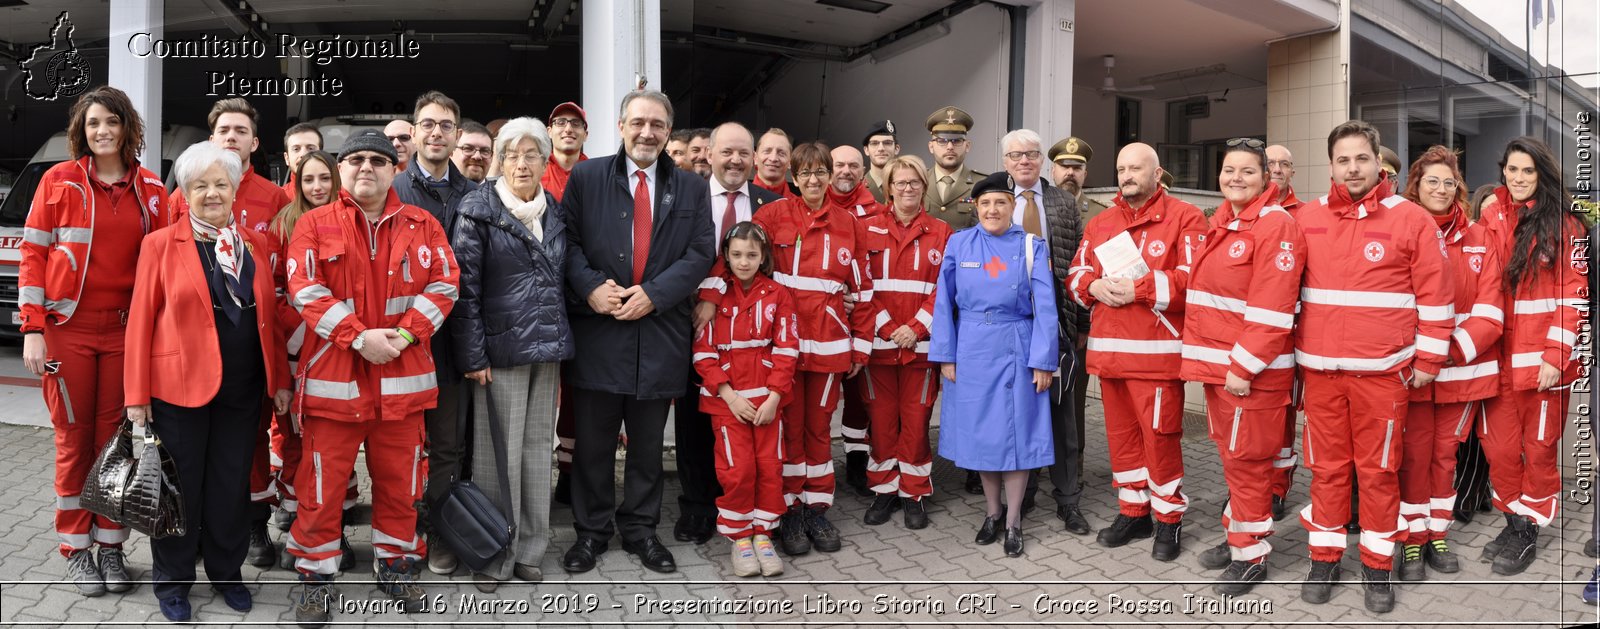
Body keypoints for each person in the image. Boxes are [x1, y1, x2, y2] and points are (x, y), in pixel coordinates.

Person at [283, 129, 458, 627]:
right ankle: (315, 577)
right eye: (355, 159)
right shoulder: (314, 224)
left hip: (402, 385)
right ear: (341, 169)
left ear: (394, 168)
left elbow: (446, 283)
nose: (366, 167)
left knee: (402, 484)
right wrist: (361, 339)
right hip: (334, 385)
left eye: (377, 160)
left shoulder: (423, 224)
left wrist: (401, 339)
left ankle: (397, 564)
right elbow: (304, 288)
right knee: (321, 487)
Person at [124, 142, 292, 621]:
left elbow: (269, 320)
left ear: (236, 190)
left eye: (222, 184)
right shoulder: (160, 245)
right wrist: (136, 395)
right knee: (180, 490)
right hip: (178, 390)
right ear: (185, 192)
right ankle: (173, 585)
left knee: (230, 486)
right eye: (201, 186)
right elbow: (140, 322)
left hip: (242, 391)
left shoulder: (253, 245)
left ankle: (226, 572)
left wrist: (278, 379)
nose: (213, 194)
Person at [1294, 121, 1454, 614]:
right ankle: (1324, 559)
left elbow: (1436, 295)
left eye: (1361, 158)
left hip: (1384, 376)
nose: (1353, 168)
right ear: (1331, 166)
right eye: (1343, 160)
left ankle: (1377, 568)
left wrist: (1428, 358)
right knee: (1326, 472)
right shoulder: (1306, 218)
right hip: (1321, 375)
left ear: (1376, 160)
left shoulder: (1410, 220)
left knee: (1380, 474)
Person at [20, 85, 170, 598]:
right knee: (73, 440)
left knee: (117, 444)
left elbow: (166, 265)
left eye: (111, 121)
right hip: (69, 331)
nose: (102, 131)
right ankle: (75, 550)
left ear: (128, 127)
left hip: (127, 333)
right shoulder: (58, 181)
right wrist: (34, 328)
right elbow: (33, 257)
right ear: (80, 132)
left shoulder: (152, 189)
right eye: (92, 124)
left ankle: (111, 546)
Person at [561, 89, 714, 576]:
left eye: (657, 124)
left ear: (669, 132)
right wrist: (588, 289)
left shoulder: (690, 187)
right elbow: (566, 242)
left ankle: (642, 532)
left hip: (660, 333)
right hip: (600, 334)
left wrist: (655, 293)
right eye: (638, 122)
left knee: (647, 448)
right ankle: (591, 534)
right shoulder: (585, 177)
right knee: (593, 446)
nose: (647, 132)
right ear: (621, 126)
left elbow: (700, 251)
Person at [698, 141, 874, 557]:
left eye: (820, 172)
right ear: (794, 178)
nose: (813, 180)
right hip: (782, 351)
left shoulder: (849, 223)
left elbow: (863, 291)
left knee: (818, 430)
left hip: (830, 349)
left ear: (830, 176)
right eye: (805, 172)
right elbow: (736, 253)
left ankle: (815, 507)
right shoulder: (772, 214)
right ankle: (788, 509)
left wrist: (861, 347)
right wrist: (710, 294)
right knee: (788, 433)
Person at [166, 97, 293, 567]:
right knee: (196, 455)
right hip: (194, 358)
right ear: (211, 138)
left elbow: (279, 276)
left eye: (242, 131)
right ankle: (196, 533)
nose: (233, 137)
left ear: (255, 143)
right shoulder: (184, 193)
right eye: (225, 130)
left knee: (250, 447)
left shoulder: (275, 198)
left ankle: (253, 527)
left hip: (249, 352)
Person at [450, 117, 572, 591]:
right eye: (513, 155)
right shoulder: (477, 209)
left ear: (545, 162)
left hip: (547, 348)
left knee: (538, 450)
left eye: (532, 155)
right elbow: (465, 292)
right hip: (499, 352)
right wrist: (473, 357)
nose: (522, 164)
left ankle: (530, 549)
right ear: (499, 161)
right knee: (496, 457)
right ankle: (493, 553)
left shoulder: (553, 211)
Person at [1179, 138, 1305, 595]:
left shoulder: (1276, 226)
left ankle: (1250, 556)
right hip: (1224, 370)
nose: (1236, 178)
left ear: (1266, 177)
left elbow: (1273, 309)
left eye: (1247, 171)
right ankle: (1238, 534)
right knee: (1236, 462)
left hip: (1249, 374)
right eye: (1229, 169)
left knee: (1249, 465)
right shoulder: (1228, 221)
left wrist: (1244, 367)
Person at [1069, 142, 1206, 562]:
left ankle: (1168, 519)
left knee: (1160, 440)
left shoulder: (1186, 217)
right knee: (1122, 441)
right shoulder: (1101, 222)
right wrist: (1091, 286)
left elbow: (1194, 281)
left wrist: (1140, 288)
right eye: (1121, 168)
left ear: (1157, 173)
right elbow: (1076, 271)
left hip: (1156, 358)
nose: (1127, 175)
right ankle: (1134, 512)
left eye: (1136, 168)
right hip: (1110, 358)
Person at [931, 171, 1058, 558]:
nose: (992, 209)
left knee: (1016, 435)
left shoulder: (1033, 246)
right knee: (982, 436)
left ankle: (1015, 520)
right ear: (976, 207)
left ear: (1013, 206)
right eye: (985, 203)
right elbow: (943, 303)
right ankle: (992, 512)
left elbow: (1047, 308)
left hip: (1016, 346)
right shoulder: (959, 243)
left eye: (1000, 202)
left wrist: (1043, 361)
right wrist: (946, 355)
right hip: (970, 349)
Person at [1477, 136, 1585, 577]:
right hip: (1497, 360)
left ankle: (1529, 529)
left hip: (1542, 365)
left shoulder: (1565, 224)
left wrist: (1556, 355)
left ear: (1542, 175)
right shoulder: (1490, 214)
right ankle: (1511, 518)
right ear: (1502, 170)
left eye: (1528, 171)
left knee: (1538, 451)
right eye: (1512, 169)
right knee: (1499, 450)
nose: (1518, 178)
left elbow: (1574, 293)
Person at [1395, 145, 1503, 582]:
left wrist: (1446, 350)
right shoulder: (1399, 229)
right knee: (1413, 457)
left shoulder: (1480, 238)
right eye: (1431, 180)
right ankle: (1411, 538)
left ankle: (1436, 533)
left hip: (1459, 372)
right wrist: (1424, 355)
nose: (1440, 188)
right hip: (1414, 374)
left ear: (1458, 187)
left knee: (1444, 457)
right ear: (1415, 186)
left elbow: (1491, 309)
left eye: (1448, 181)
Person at [678, 122, 783, 546]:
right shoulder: (688, 197)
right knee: (693, 420)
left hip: (753, 334)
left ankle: (746, 510)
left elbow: (779, 264)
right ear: (710, 155)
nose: (735, 160)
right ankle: (698, 507)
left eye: (744, 152)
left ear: (754, 157)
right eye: (727, 152)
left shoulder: (771, 203)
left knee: (747, 428)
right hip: (696, 325)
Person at [392, 90, 479, 576]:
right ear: (415, 130)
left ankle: (443, 533)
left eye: (447, 125)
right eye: (428, 124)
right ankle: (400, 532)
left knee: (448, 445)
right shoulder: (393, 189)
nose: (437, 133)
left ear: (457, 134)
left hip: (451, 345)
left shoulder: (475, 195)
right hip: (400, 342)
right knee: (400, 445)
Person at [266, 151, 358, 560]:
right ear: (296, 183)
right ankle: (301, 522)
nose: (317, 187)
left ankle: (330, 526)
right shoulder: (283, 225)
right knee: (297, 441)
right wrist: (306, 330)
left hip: (342, 349)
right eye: (308, 180)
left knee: (335, 446)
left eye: (325, 178)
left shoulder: (353, 220)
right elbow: (276, 292)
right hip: (299, 347)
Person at [693, 221, 798, 577]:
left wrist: (774, 397)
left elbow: (787, 348)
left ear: (763, 256)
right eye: (736, 254)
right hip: (729, 403)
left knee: (769, 467)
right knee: (737, 471)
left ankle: (763, 534)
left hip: (767, 401)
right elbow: (703, 352)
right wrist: (728, 395)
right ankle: (739, 537)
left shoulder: (778, 293)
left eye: (752, 254)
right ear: (726, 256)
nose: (744, 261)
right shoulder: (714, 297)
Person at [858, 155, 952, 529]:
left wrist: (915, 327)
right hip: (879, 348)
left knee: (916, 421)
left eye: (915, 182)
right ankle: (883, 490)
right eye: (901, 182)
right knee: (881, 422)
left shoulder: (942, 231)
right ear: (888, 188)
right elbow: (861, 285)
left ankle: (914, 493)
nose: (908, 188)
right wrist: (886, 327)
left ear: (924, 187)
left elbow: (945, 289)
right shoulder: (866, 228)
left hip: (921, 347)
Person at [1001, 129, 1088, 533]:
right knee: (1020, 411)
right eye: (1016, 155)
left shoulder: (1063, 202)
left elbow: (1081, 264)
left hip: (1059, 324)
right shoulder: (992, 201)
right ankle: (1025, 492)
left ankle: (1068, 499)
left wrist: (1081, 323)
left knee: (1062, 416)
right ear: (1005, 161)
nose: (1024, 161)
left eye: (1032, 154)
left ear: (1041, 161)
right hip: (1010, 328)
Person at [828, 143, 886, 497]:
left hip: (864, 317)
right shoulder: (813, 204)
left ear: (864, 173)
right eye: (839, 165)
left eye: (853, 165)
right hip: (820, 319)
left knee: (859, 396)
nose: (845, 171)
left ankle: (856, 462)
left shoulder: (879, 213)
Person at [1046, 135, 1099, 502]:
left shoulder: (1101, 212)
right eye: (1065, 166)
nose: (1070, 172)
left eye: (1077, 167)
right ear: (1053, 170)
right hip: (1047, 317)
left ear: (1085, 172)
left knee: (1074, 398)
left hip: (1086, 322)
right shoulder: (1041, 205)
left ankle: (1073, 469)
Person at [1263, 143, 1303, 521]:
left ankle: (1277, 487)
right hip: (1248, 339)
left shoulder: (1303, 216)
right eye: (1270, 163)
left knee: (1282, 419)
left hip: (1289, 341)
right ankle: (1248, 486)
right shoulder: (1243, 213)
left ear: (1293, 172)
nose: (1276, 169)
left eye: (1283, 164)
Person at [923, 107, 985, 230]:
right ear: (931, 147)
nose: (950, 147)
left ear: (967, 146)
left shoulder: (982, 184)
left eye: (957, 141)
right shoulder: (918, 181)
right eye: (942, 141)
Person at [543, 102, 590, 201]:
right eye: (560, 122)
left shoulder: (596, 175)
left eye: (576, 123)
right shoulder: (537, 171)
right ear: (549, 132)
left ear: (585, 135)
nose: (568, 129)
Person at [281, 122, 323, 198]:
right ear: (286, 158)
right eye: (296, 149)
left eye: (311, 148)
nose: (303, 154)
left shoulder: (337, 195)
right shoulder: (280, 198)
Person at [862, 120, 899, 204]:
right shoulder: (858, 187)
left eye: (887, 143)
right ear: (866, 150)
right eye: (874, 143)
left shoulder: (909, 185)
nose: (881, 148)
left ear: (896, 149)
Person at [753, 128, 797, 199]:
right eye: (767, 151)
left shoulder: (800, 208)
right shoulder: (738, 201)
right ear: (755, 158)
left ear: (790, 162)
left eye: (781, 153)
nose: (773, 158)